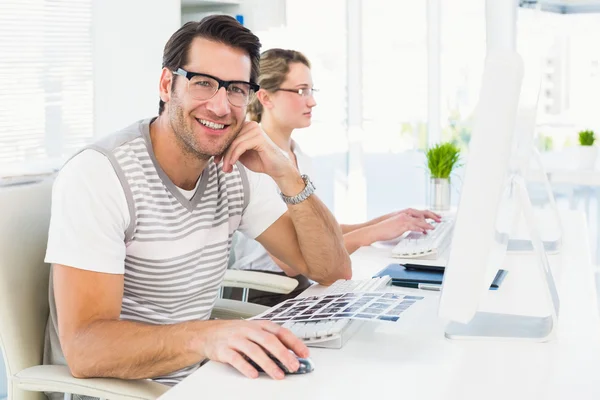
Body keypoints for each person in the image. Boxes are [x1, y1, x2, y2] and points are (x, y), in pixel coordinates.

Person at [43, 16, 352, 394]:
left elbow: (331, 269)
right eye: (203, 83)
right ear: (165, 84)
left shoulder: (236, 168)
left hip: (203, 380)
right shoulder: (100, 175)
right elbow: (85, 349)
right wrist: (206, 338)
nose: (221, 106)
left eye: (237, 89)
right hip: (120, 390)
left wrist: (287, 174)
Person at [229, 48, 441, 306]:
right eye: (300, 91)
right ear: (265, 97)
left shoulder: (299, 156)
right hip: (266, 290)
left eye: (311, 91)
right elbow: (290, 262)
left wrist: (393, 220)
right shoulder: (254, 160)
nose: (311, 101)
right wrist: (373, 233)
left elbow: (317, 234)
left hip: (300, 285)